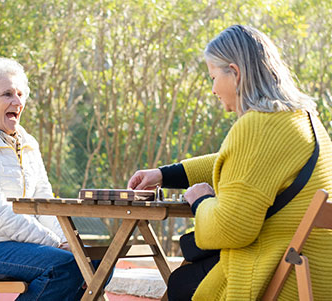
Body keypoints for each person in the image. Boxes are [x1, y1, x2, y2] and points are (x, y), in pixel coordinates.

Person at [128, 25, 332, 300]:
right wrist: (164, 175)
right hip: (317, 274)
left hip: (279, 277)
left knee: (181, 282)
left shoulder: (256, 127)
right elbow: (235, 164)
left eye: (213, 77)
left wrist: (201, 200)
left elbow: (231, 229)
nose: (213, 89)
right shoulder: (303, 118)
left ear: (235, 73)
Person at [0, 58, 85, 300]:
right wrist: (54, 243)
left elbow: (45, 201)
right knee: (67, 265)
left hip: (26, 246)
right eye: (8, 94)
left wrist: (66, 240)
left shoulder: (27, 142)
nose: (18, 102)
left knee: (98, 263)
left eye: (20, 94)